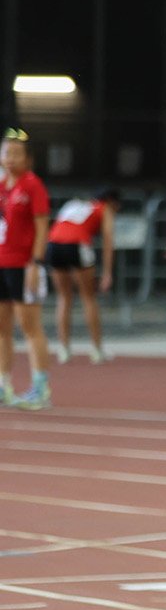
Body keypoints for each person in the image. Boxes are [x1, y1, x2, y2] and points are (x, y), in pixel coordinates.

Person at [0, 128, 51, 410]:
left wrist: (36, 262)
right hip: (1, 262)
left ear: (28, 159)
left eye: (16, 154)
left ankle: (41, 387)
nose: (10, 158)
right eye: (6, 153)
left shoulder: (32, 185)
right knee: (1, 329)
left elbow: (43, 227)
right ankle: (3, 384)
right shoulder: (1, 187)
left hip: (24, 264)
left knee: (29, 327)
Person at [44, 186, 115, 364]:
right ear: (112, 202)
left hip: (53, 244)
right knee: (88, 297)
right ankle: (97, 350)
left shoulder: (73, 204)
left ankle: (64, 349)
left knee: (64, 297)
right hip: (77, 244)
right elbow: (108, 240)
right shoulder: (104, 209)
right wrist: (107, 272)